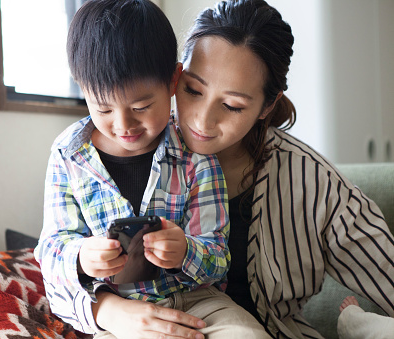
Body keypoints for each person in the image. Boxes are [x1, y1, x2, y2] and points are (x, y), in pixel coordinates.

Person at [91, 0, 394, 338]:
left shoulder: (313, 183)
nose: (201, 120)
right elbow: (64, 253)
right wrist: (105, 309)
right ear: (175, 76)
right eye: (192, 90)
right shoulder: (124, 143)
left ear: (268, 105)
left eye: (232, 106)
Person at [34, 1, 270, 338]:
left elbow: (219, 256)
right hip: (118, 309)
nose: (123, 125)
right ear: (81, 88)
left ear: (173, 81)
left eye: (141, 107)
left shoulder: (196, 155)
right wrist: (82, 258)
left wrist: (186, 251)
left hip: (199, 303)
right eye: (103, 108)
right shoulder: (69, 155)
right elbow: (52, 250)